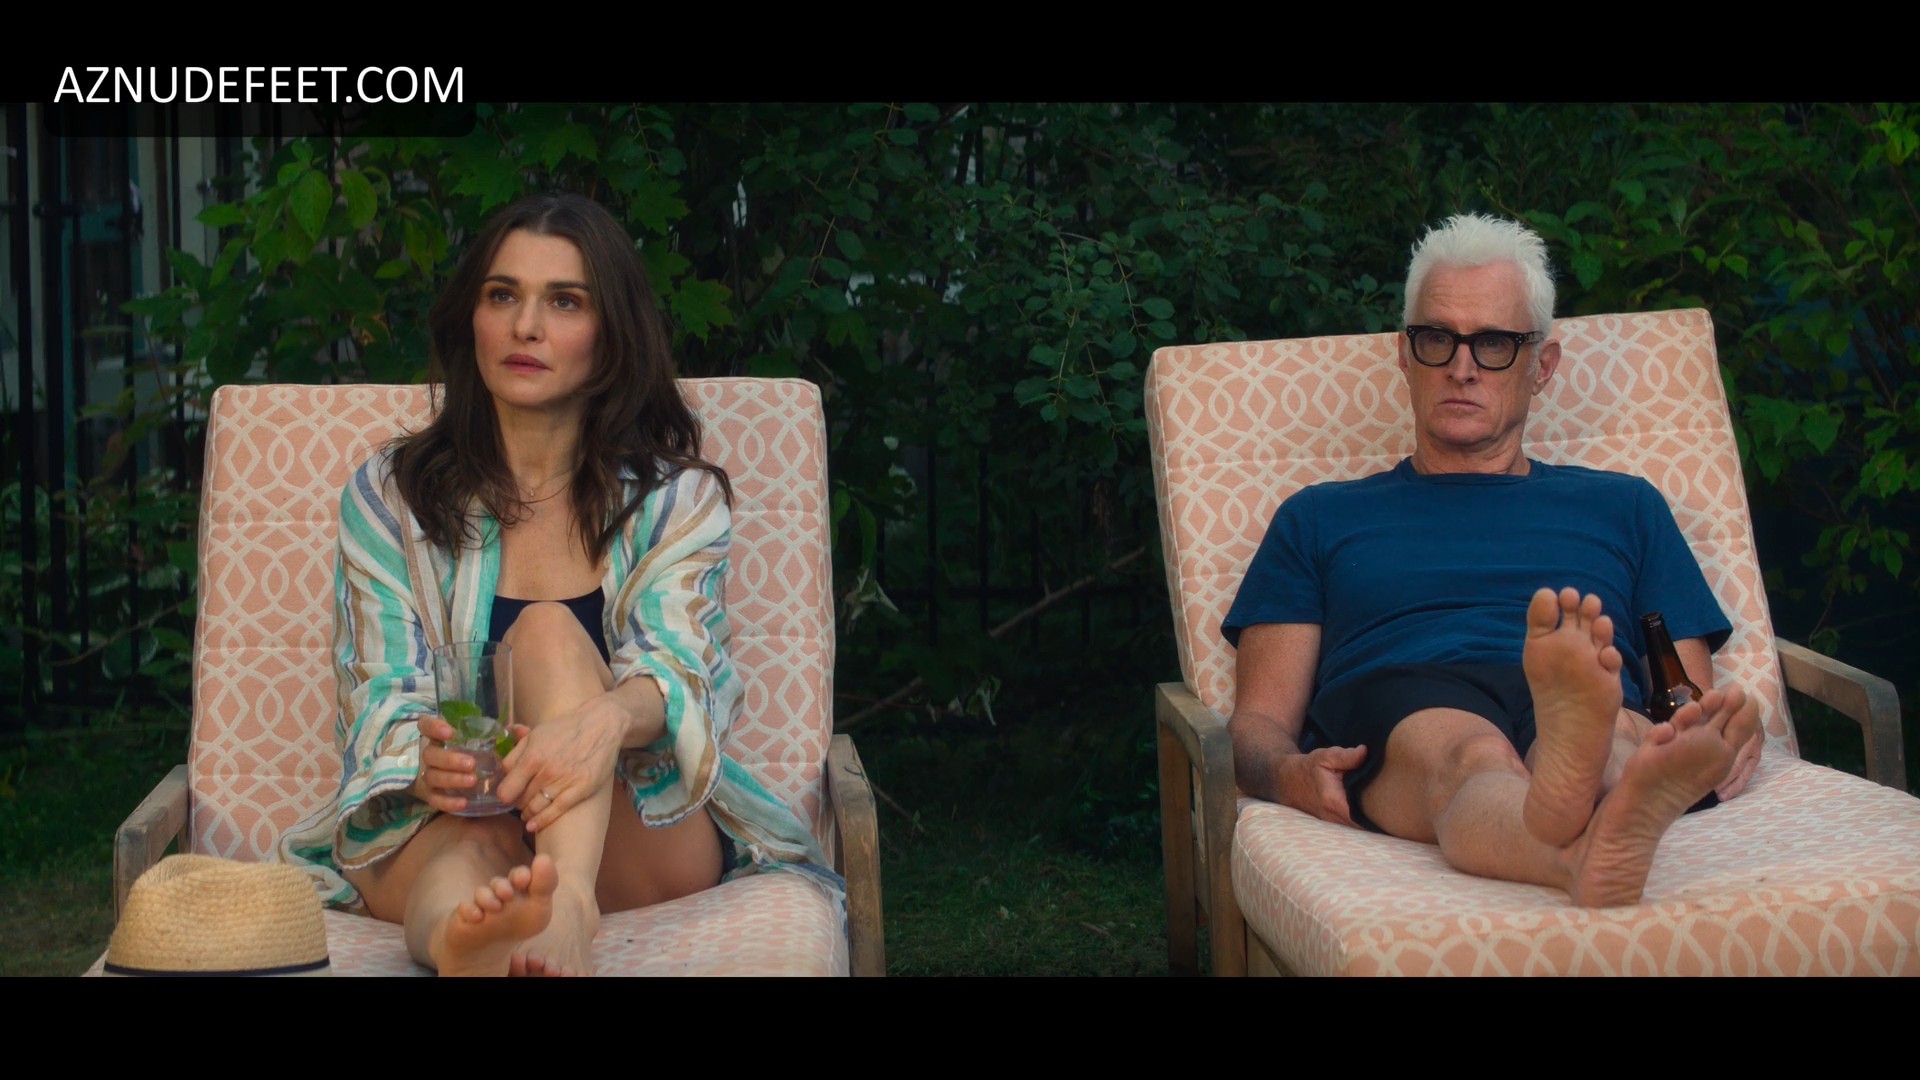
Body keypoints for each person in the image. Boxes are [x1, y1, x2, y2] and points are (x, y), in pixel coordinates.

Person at [279, 193, 835, 975]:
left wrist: (602, 722)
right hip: (458, 820)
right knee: (464, 856)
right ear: (472, 318)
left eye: (564, 301)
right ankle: (468, 946)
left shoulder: (674, 500)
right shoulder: (390, 497)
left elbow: (683, 666)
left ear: (611, 334)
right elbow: (377, 691)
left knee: (543, 630)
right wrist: (422, 760)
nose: (526, 327)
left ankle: (566, 901)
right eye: (502, 295)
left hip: (631, 831)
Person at [1223, 213, 1763, 907]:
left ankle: (1587, 789)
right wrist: (1283, 773)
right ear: (1404, 354)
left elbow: (1683, 694)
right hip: (1409, 693)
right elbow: (1258, 722)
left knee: (1616, 734)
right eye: (1437, 338)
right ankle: (1588, 833)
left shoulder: (1626, 507)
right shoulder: (1318, 517)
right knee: (1470, 757)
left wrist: (1720, 731)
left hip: (1585, 692)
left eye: (1495, 344)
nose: (1462, 367)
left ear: (1543, 366)